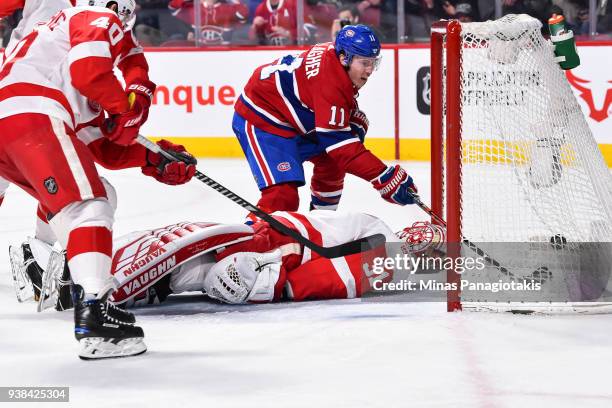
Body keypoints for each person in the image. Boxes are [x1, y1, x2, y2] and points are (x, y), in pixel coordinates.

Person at [0, 0, 196, 360]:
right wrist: (125, 108)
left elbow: (99, 146)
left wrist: (151, 157)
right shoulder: (91, 16)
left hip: (10, 124)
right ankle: (95, 313)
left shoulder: (55, 46)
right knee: (89, 205)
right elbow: (90, 71)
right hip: (32, 115)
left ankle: (59, 264)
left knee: (97, 190)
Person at [18, 211, 447, 308]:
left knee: (180, 266)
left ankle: (72, 283)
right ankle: (74, 270)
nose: (419, 247)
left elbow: (323, 279)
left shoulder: (391, 263)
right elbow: (308, 230)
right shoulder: (377, 233)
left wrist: (271, 279)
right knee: (169, 243)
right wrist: (269, 241)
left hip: (260, 259)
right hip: (256, 243)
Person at [233, 24, 418, 217]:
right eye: (364, 63)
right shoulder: (330, 83)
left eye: (374, 62)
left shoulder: (337, 57)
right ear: (344, 58)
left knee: (351, 132)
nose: (370, 70)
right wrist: (383, 177)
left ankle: (322, 218)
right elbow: (338, 144)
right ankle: (250, 239)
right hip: (263, 120)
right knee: (282, 197)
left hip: (290, 114)